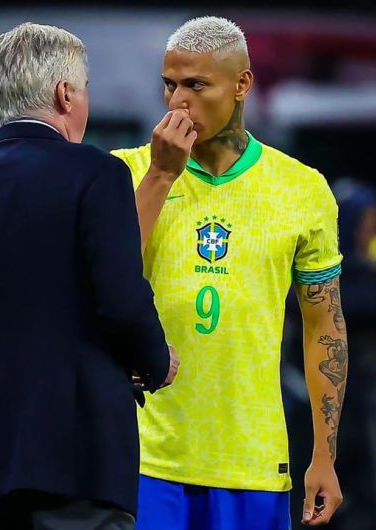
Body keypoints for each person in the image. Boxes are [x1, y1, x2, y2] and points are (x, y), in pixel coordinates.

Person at [0, 23, 177, 530]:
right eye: (85, 89)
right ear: (64, 94)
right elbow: (121, 300)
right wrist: (155, 359)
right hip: (73, 464)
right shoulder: (96, 174)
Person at [112, 16, 347, 530]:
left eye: (196, 86)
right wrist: (161, 174)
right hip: (146, 457)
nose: (178, 102)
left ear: (242, 84)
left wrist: (324, 456)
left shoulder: (302, 189)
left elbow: (324, 327)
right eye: (169, 85)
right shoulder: (126, 172)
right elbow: (105, 278)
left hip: (253, 461)